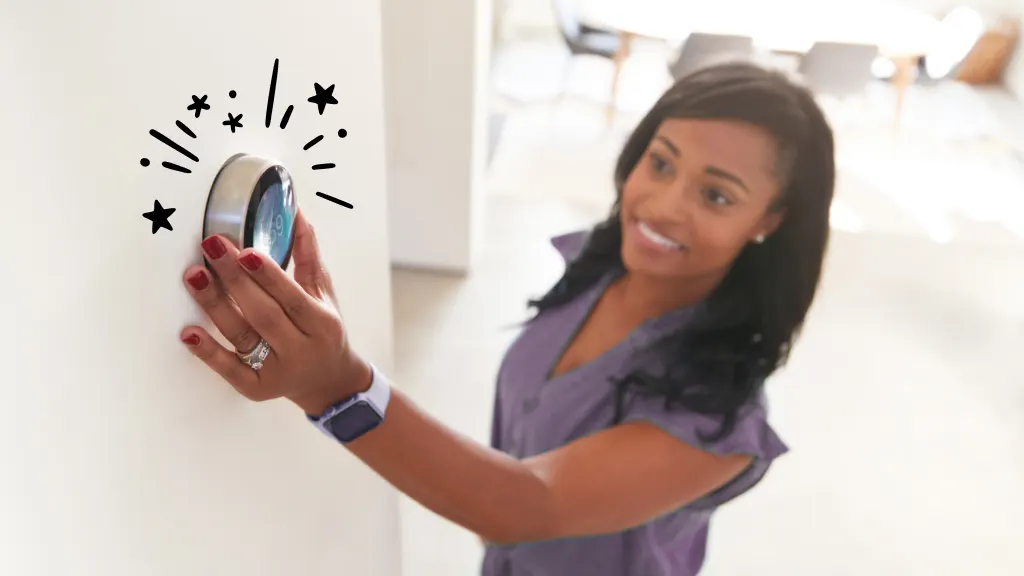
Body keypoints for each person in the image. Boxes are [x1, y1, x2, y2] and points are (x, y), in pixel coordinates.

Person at [178, 60, 835, 575]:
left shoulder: (718, 424)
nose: (661, 205)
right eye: (660, 163)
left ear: (770, 222)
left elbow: (526, 506)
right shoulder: (599, 270)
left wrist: (334, 384)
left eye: (716, 194)